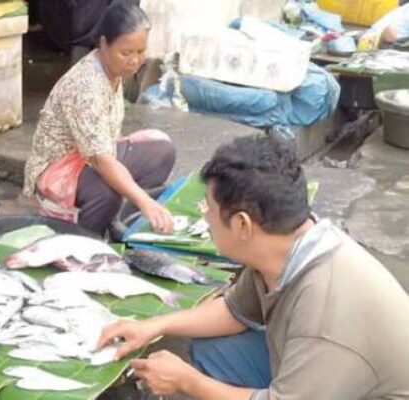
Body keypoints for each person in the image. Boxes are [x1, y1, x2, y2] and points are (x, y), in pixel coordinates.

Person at [98, 135, 409, 399]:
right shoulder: (285, 247)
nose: (206, 216)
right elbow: (235, 311)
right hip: (319, 371)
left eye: (210, 207)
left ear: (242, 224)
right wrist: (155, 326)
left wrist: (187, 381)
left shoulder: (326, 309)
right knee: (216, 350)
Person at [23, 1, 176, 235]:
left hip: (92, 154)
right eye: (126, 53)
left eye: (140, 51)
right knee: (106, 191)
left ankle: (118, 220)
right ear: (103, 43)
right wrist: (146, 202)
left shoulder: (115, 70)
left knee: (162, 151)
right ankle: (84, 237)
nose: (135, 61)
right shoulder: (86, 85)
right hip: (58, 168)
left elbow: (102, 149)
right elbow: (101, 160)